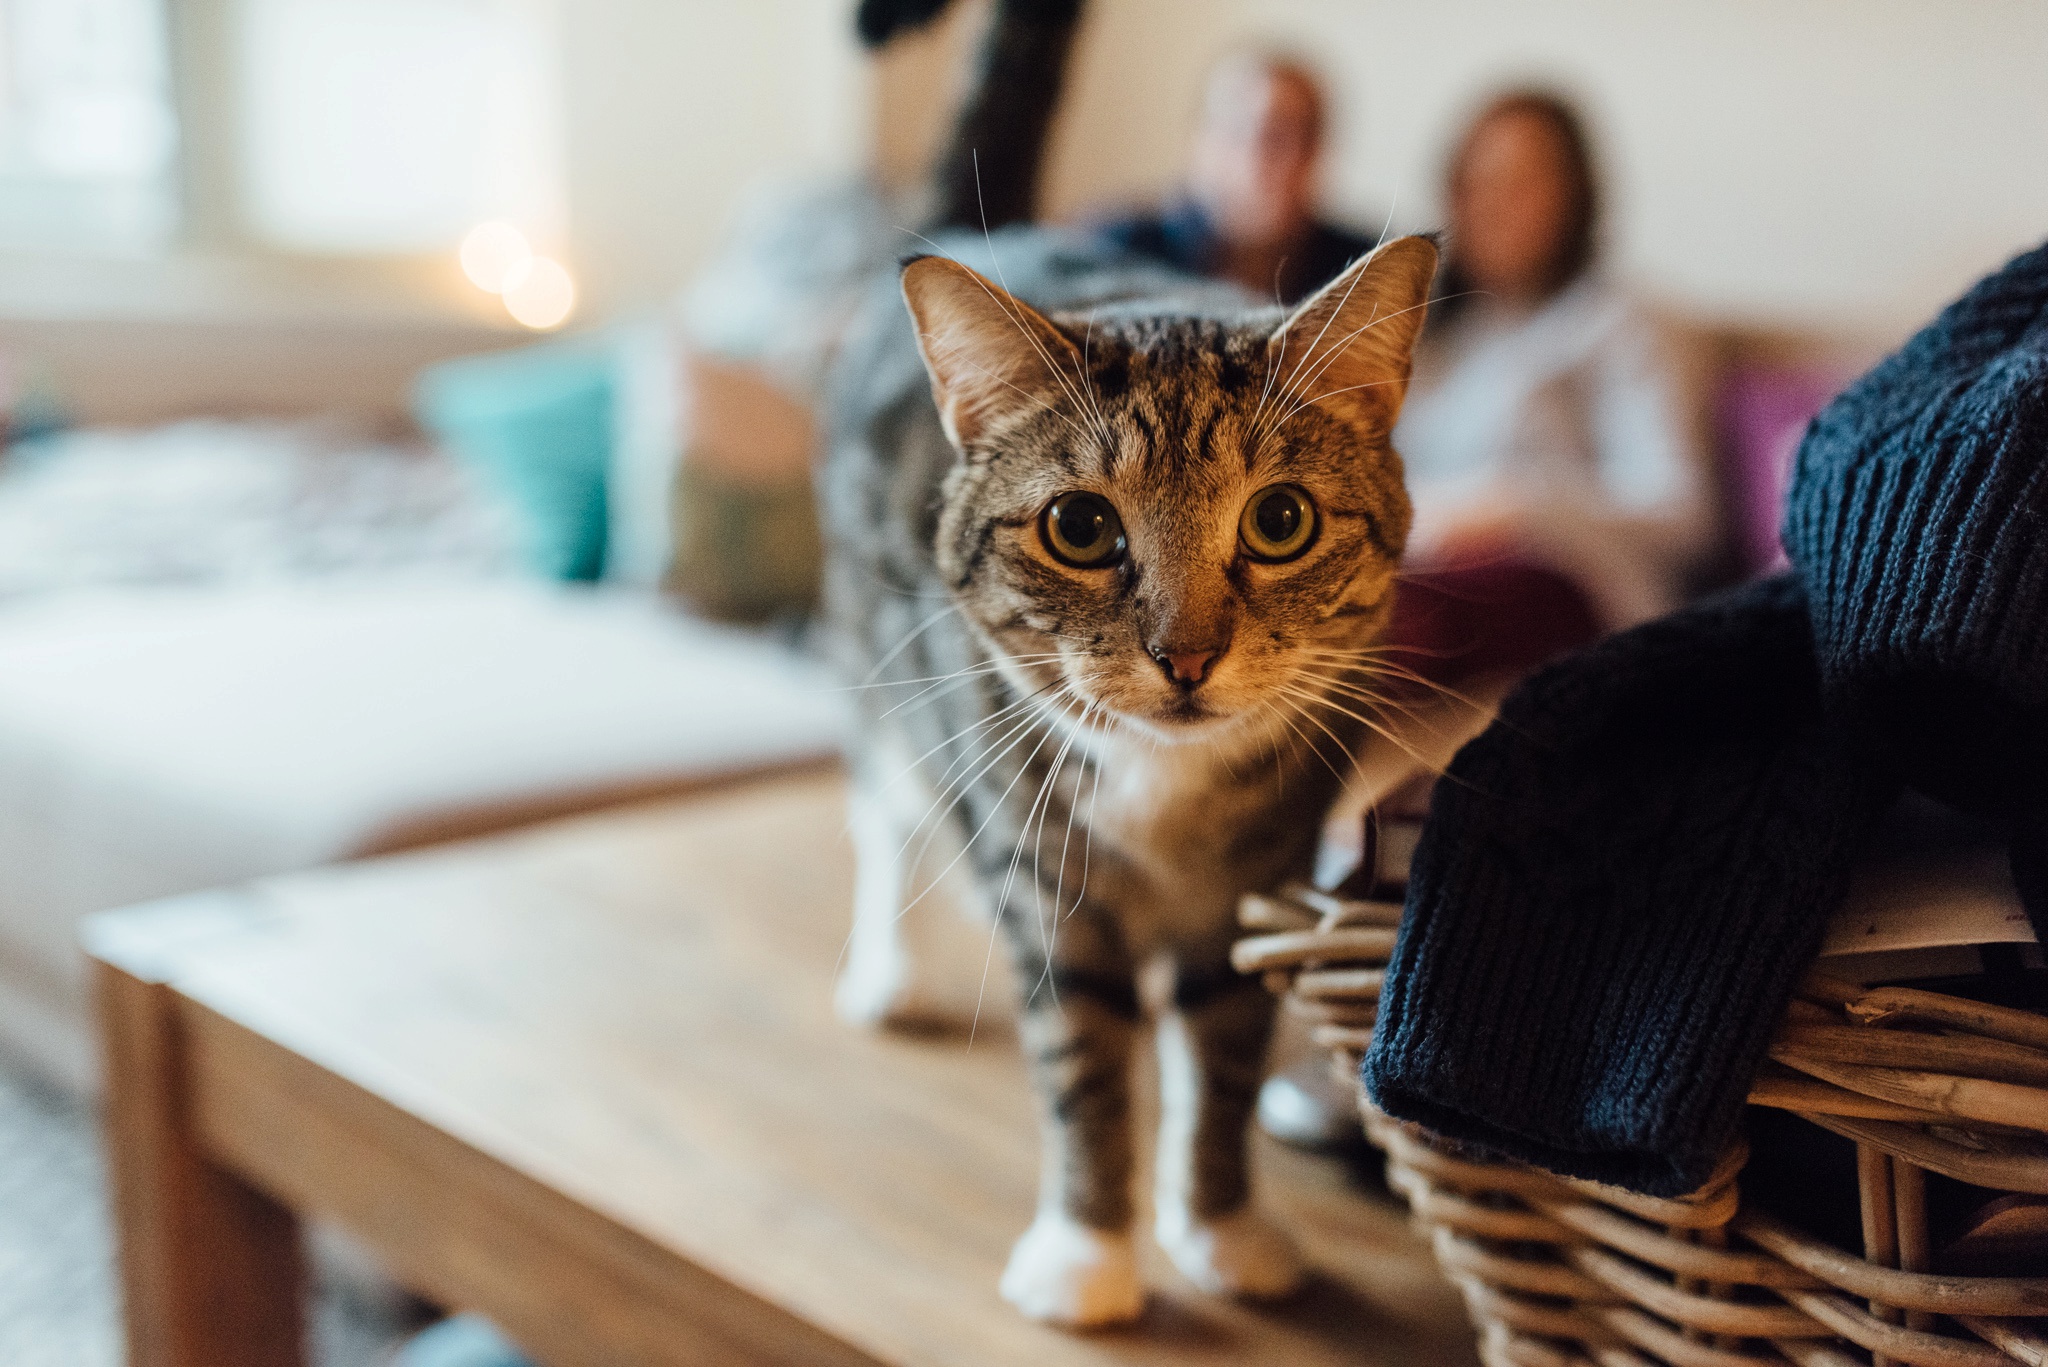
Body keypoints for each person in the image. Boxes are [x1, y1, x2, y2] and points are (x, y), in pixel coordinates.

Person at [1388, 90, 1717, 686]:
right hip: (1425, 571)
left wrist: (1512, 506)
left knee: (1406, 619)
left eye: (1521, 183)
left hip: (1574, 587)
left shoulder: (1624, 322)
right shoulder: (1437, 337)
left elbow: (1680, 516)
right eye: (1475, 183)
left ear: (1577, 196)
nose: (1494, 206)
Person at [1096, 51, 1378, 304]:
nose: (1255, 155)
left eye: (1280, 136)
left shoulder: (1362, 268)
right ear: (1197, 137)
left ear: (1316, 152)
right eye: (1234, 127)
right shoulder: (1114, 245)